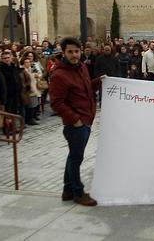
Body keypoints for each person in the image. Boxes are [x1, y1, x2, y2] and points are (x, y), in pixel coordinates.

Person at [49, 37, 102, 207]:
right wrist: (75, 120)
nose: (74, 55)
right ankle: (78, 192)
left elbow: (85, 91)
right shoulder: (59, 75)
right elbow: (56, 103)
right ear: (63, 53)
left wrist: (99, 81)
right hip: (76, 124)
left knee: (73, 156)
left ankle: (67, 190)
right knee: (76, 158)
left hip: (86, 119)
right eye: (70, 52)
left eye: (76, 51)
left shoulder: (82, 68)